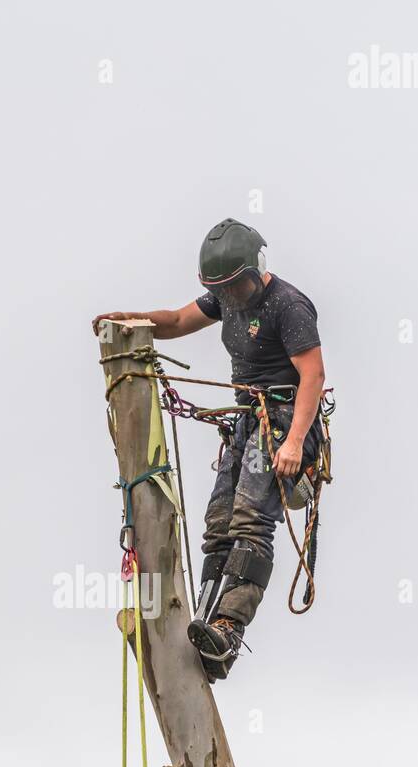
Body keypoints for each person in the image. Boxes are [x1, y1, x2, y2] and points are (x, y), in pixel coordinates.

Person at [92, 218, 326, 680]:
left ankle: (228, 627)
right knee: (218, 522)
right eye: (222, 290)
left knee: (249, 520)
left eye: (237, 286)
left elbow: (314, 377)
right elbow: (178, 321)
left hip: (280, 421)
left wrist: (295, 442)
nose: (232, 297)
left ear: (256, 270)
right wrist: (129, 321)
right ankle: (204, 616)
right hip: (246, 421)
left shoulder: (288, 306)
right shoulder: (226, 298)